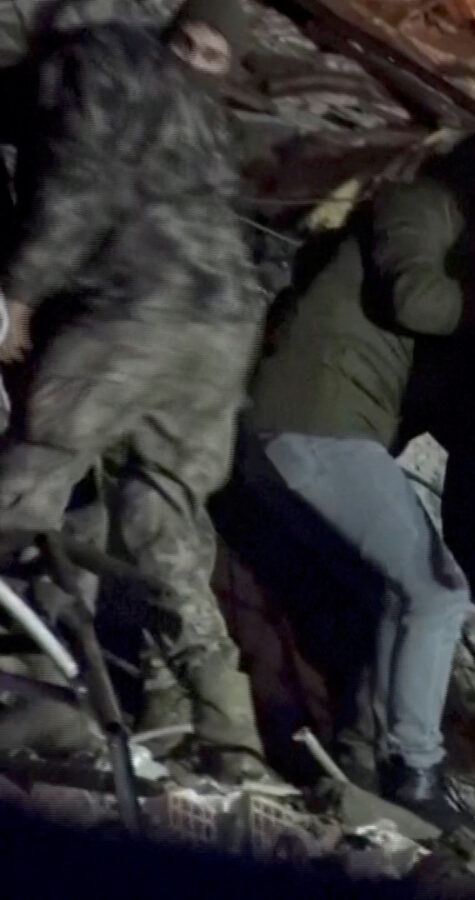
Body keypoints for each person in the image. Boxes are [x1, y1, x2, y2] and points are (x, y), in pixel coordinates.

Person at [0, 0, 266, 779]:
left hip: (136, 309)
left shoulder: (94, 65)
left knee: (27, 484)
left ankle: (39, 691)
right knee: (164, 520)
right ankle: (230, 730)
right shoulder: (199, 107)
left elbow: (81, 183)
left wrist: (19, 292)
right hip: (224, 325)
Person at [238, 131, 475, 824]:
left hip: (313, 428)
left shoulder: (446, 252)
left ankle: (362, 755)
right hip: (317, 423)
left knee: (385, 599)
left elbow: (434, 393)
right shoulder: (420, 205)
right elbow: (414, 298)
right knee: (434, 592)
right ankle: (418, 772)